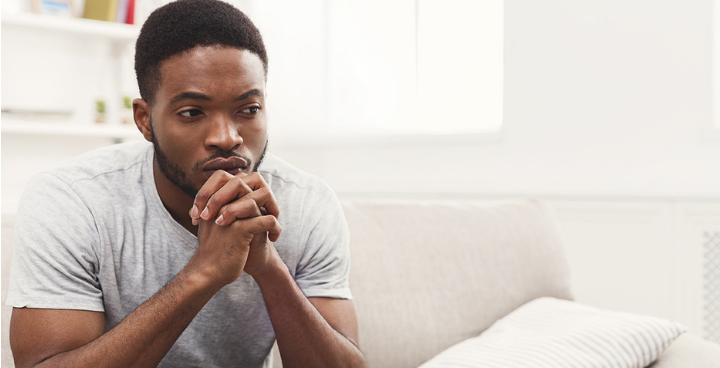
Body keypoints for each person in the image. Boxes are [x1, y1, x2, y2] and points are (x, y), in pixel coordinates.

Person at [6, 0, 367, 367]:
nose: (227, 138)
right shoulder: (71, 200)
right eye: (192, 112)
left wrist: (270, 268)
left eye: (249, 109)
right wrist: (204, 273)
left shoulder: (308, 203)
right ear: (145, 120)